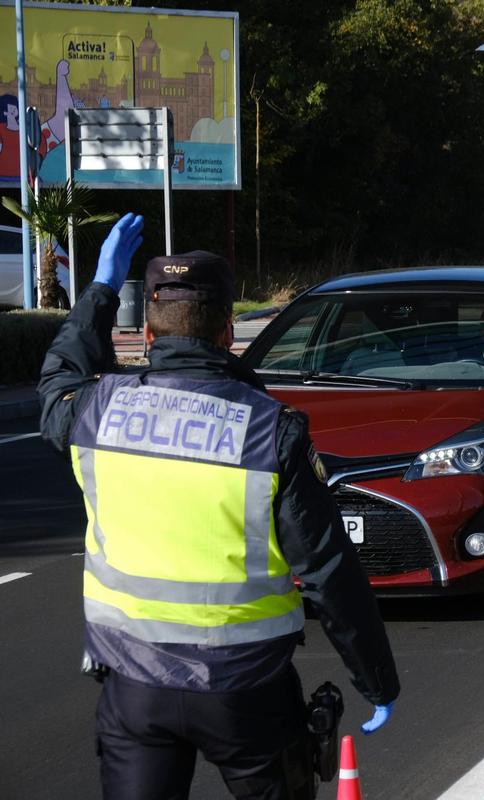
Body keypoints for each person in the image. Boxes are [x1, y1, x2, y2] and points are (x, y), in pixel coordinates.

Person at [38, 214, 401, 799]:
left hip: (134, 688)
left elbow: (58, 378)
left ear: (149, 336)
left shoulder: (97, 410)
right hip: (246, 691)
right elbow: (327, 570)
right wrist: (376, 680)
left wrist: (101, 291)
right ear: (228, 331)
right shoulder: (271, 431)